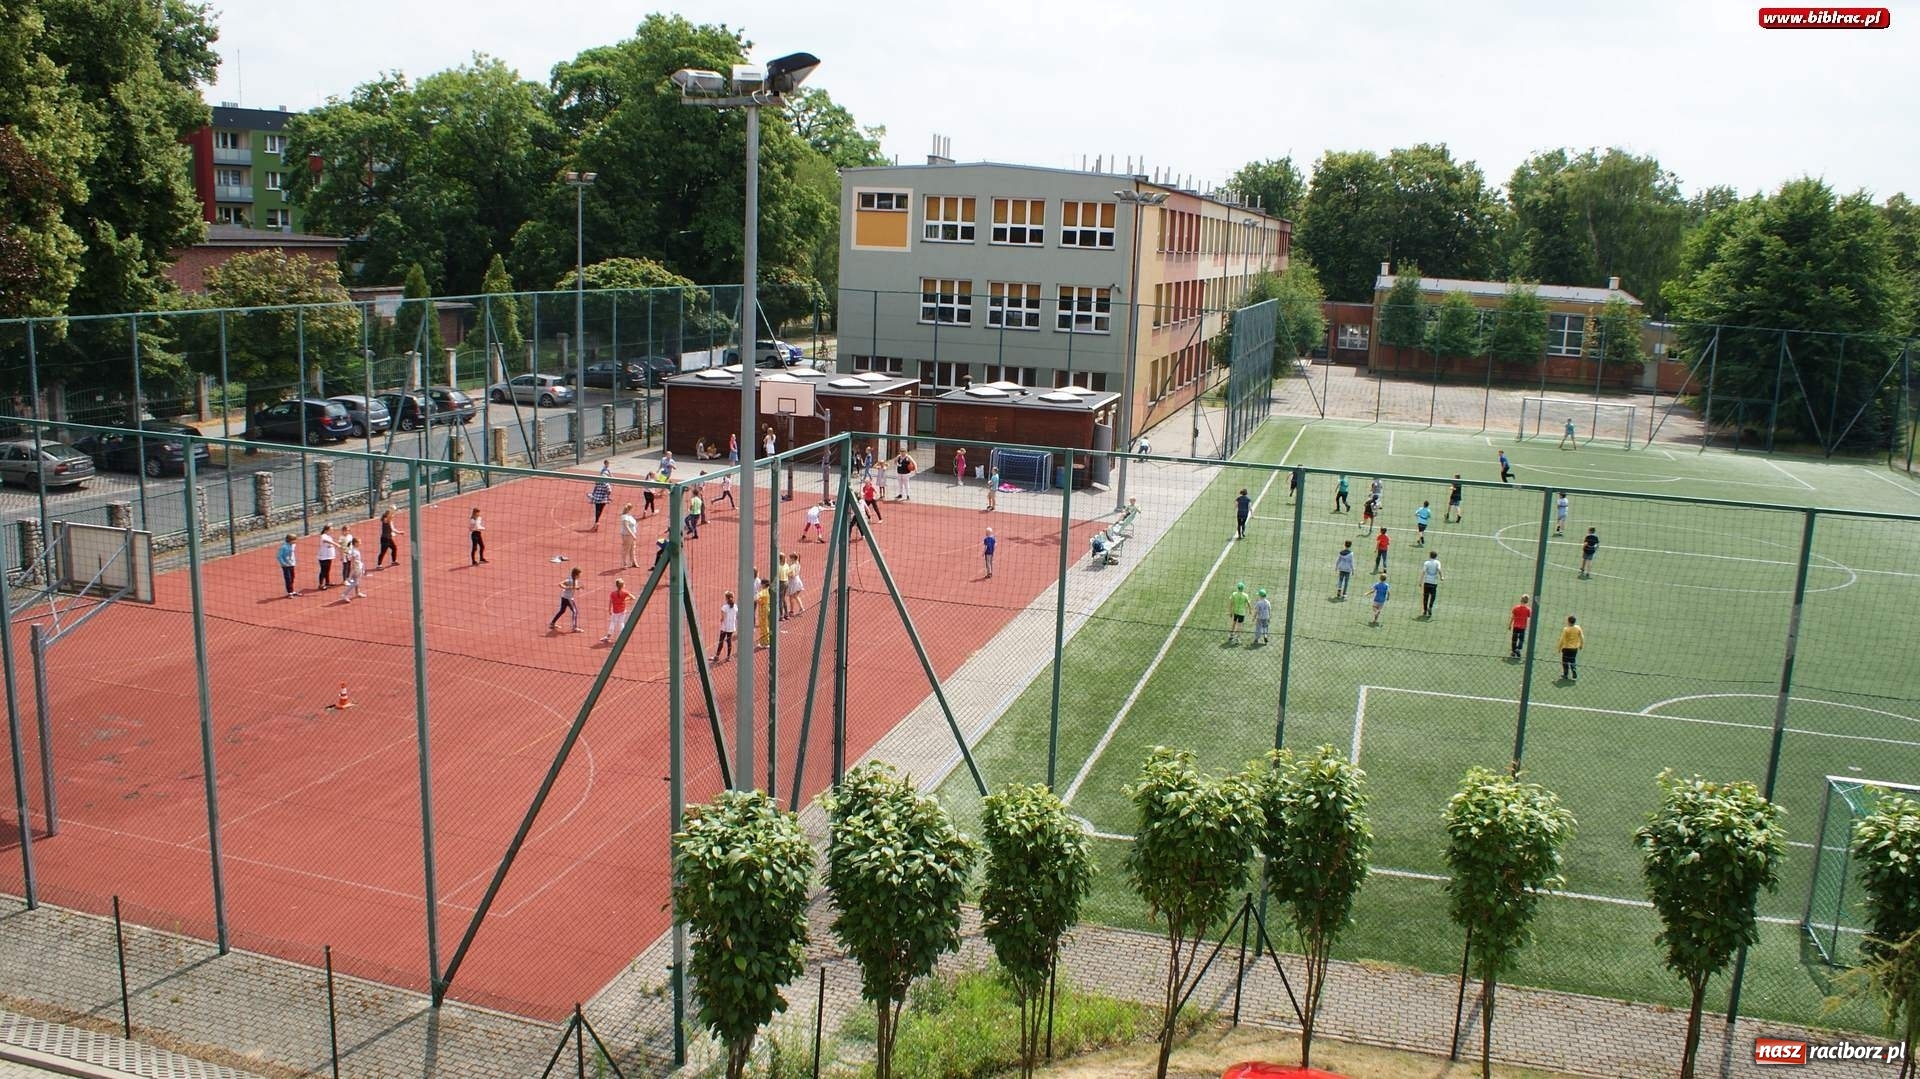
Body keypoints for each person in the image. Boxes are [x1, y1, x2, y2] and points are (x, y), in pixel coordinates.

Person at [549, 567, 584, 632]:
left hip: (564, 597)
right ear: (576, 575)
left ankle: (552, 623)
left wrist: (578, 587)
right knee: (575, 611)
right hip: (568, 598)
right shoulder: (570, 580)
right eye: (579, 574)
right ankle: (574, 628)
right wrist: (567, 587)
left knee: (562, 611)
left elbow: (573, 587)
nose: (580, 576)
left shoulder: (575, 580)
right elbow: (560, 584)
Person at [601, 579, 634, 644]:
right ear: (623, 586)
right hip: (623, 611)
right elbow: (633, 597)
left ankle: (607, 637)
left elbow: (610, 602)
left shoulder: (613, 593)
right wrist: (625, 600)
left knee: (613, 623)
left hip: (615, 611)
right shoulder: (625, 592)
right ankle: (623, 637)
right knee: (621, 623)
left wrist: (609, 609)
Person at [713, 591, 738, 663]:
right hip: (731, 627)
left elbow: (722, 618)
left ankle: (717, 656)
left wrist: (721, 619)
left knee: (721, 641)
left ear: (726, 598)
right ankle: (728, 656)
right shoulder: (735, 606)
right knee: (729, 641)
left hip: (724, 627)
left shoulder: (724, 607)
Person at [341, 535, 367, 602]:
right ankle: (344, 594)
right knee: (355, 582)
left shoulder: (354, 550)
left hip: (356, 567)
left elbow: (350, 558)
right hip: (357, 568)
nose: (360, 543)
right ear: (355, 543)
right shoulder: (354, 551)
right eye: (359, 542)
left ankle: (357, 592)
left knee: (356, 581)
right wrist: (355, 567)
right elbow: (352, 559)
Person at [1558, 615, 1584, 681]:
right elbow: (1582, 637)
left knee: (1565, 662)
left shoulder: (1566, 629)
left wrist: (1559, 648)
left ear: (1568, 621)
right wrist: (1581, 645)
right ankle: (1574, 672)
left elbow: (1562, 639)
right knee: (1572, 660)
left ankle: (1565, 675)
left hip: (1566, 648)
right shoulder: (1578, 628)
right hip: (1574, 649)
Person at [588, 462, 613, 530]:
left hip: (597, 498)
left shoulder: (598, 482)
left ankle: (596, 522)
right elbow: (609, 491)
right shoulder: (607, 484)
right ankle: (597, 522)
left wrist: (592, 496)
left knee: (597, 510)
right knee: (600, 510)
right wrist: (607, 496)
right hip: (603, 499)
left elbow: (595, 489)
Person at [1419, 549, 1444, 618]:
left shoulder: (1427, 563)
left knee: (1425, 597)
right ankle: (1430, 607)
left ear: (1430, 556)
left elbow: (1423, 572)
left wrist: (1420, 581)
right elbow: (1439, 569)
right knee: (1433, 596)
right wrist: (1442, 576)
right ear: (1436, 556)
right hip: (1434, 583)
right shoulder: (1437, 562)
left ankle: (1425, 610)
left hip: (1427, 582)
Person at [1509, 594, 1533, 659]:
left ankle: (1514, 651)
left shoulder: (1516, 608)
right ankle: (1518, 649)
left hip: (1516, 626)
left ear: (1521, 600)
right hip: (1523, 627)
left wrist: (1510, 624)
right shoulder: (1528, 609)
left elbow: (1513, 617)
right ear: (1527, 601)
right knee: (1521, 639)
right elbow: (1530, 617)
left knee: (1514, 639)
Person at [277, 533, 299, 598]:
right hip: (286, 565)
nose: (295, 541)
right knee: (288, 578)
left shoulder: (293, 545)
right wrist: (283, 563)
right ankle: (290, 592)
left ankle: (292, 591)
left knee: (292, 577)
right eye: (294, 540)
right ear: (290, 540)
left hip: (291, 564)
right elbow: (279, 556)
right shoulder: (283, 547)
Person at [316, 525, 338, 590]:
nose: (332, 530)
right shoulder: (323, 536)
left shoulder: (329, 536)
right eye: (331, 529)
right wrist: (336, 544)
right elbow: (326, 541)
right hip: (323, 556)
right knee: (323, 570)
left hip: (329, 556)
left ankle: (327, 582)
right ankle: (320, 584)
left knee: (327, 570)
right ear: (326, 530)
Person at [754, 576, 772, 649]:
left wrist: (758, 600)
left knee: (763, 626)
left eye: (761, 584)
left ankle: (765, 642)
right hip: (767, 608)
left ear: (764, 584)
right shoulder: (769, 590)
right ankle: (764, 641)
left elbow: (756, 597)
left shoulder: (763, 591)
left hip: (763, 610)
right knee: (766, 625)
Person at [775, 554, 793, 620]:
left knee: (780, 599)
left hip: (781, 582)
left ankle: (781, 615)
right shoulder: (786, 565)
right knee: (783, 598)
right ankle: (786, 614)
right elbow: (789, 573)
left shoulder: (778, 566)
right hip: (786, 582)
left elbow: (776, 575)